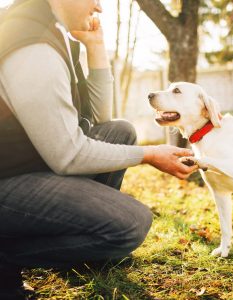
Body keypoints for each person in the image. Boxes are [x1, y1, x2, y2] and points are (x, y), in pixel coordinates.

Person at [0, 0, 198, 298]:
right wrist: (149, 155)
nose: (99, 7)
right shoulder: (33, 46)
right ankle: (5, 258)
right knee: (131, 223)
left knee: (120, 131)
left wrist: (96, 46)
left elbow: (101, 120)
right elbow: (68, 155)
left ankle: (83, 252)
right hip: (8, 179)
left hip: (30, 164)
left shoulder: (54, 32)